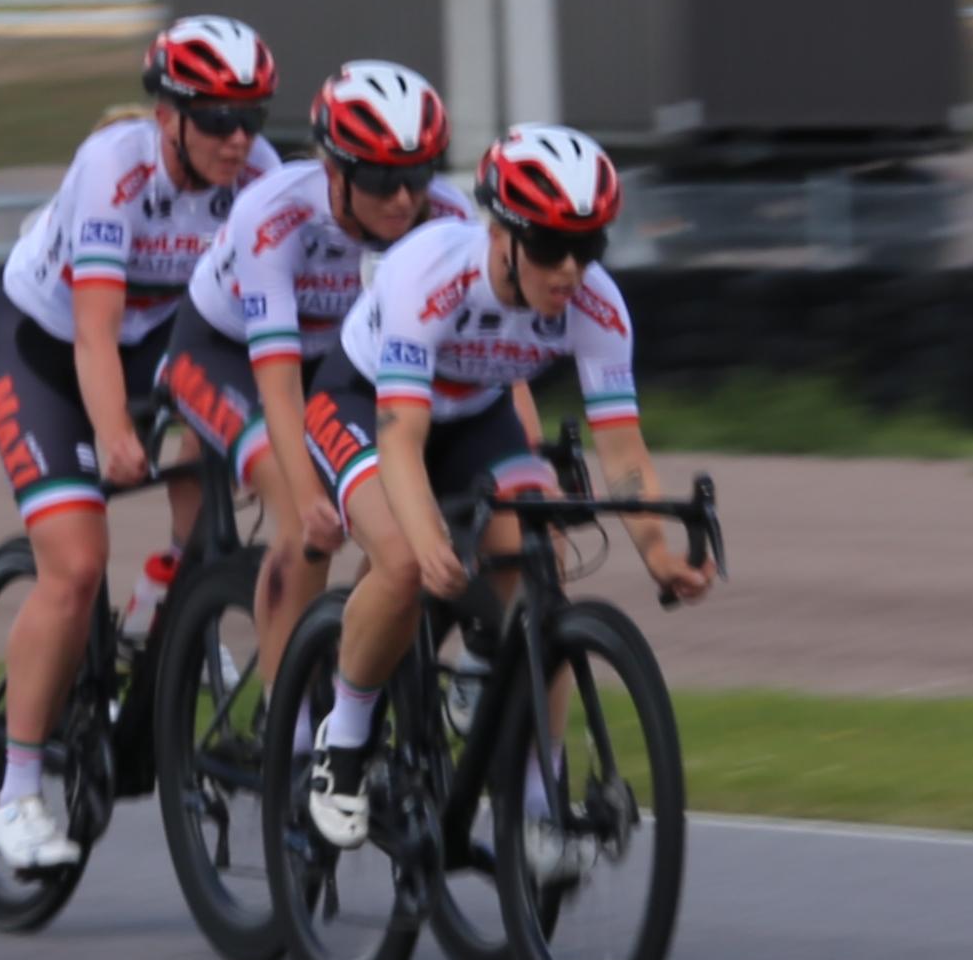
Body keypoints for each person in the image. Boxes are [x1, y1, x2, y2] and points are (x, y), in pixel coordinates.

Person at [298, 123, 708, 855]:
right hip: (364, 401)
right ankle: (345, 739)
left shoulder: (597, 304)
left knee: (540, 559)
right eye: (550, 246)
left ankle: (536, 800)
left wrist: (657, 553)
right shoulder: (431, 274)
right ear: (501, 235)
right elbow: (401, 439)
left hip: (474, 414)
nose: (570, 269)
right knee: (402, 560)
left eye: (588, 246)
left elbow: (623, 450)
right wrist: (426, 538)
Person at [0, 13, 276, 875]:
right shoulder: (115, 168)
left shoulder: (260, 175)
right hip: (46, 345)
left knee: (215, 483)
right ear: (168, 116)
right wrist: (112, 433)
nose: (238, 138)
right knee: (74, 565)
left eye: (252, 116)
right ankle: (17, 793)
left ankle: (168, 612)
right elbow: (94, 333)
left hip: (158, 339)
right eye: (217, 118)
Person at [158, 56, 463, 692]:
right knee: (305, 520)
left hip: (332, 362)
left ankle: (358, 660)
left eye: (417, 176)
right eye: (380, 178)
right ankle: (285, 719)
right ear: (334, 170)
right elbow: (278, 383)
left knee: (411, 515)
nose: (403, 199)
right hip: (222, 353)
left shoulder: (446, 218)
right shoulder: (276, 216)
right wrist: (306, 496)